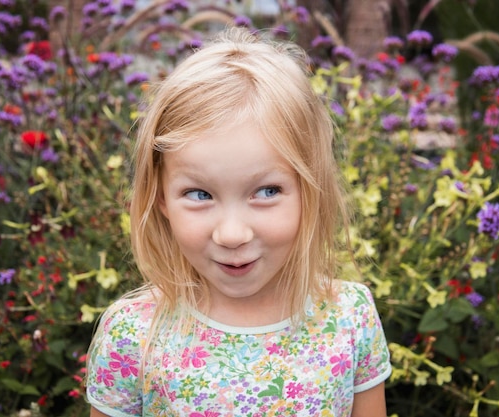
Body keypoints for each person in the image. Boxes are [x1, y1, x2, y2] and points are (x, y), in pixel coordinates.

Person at [85, 27, 391, 417]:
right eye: (200, 194)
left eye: (265, 192)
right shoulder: (132, 335)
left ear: (310, 189)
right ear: (160, 197)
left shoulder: (349, 317)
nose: (232, 234)